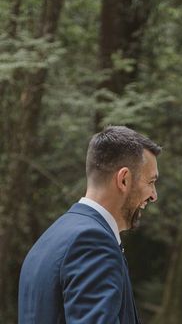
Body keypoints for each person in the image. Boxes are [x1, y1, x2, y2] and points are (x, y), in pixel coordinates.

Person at [18, 125, 161, 324]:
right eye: (150, 182)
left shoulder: (52, 236)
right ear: (124, 180)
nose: (154, 195)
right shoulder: (93, 243)